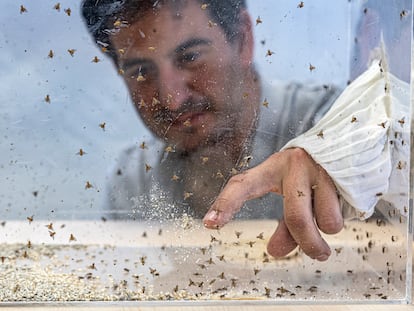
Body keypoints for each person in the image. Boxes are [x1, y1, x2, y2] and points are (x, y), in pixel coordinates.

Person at [81, 0, 410, 262]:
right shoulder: (132, 180)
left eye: (191, 56)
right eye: (141, 71)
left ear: (242, 38)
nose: (172, 97)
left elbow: (393, 139)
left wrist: (340, 157)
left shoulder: (326, 121)